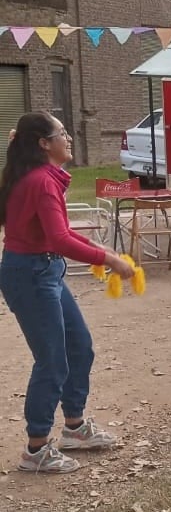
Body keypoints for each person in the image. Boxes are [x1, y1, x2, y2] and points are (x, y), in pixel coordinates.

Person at [0, 112, 135, 474]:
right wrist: (110, 260)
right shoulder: (41, 181)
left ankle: (74, 428)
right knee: (52, 360)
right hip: (30, 275)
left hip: (44, 269)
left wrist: (96, 247)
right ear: (45, 144)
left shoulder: (44, 177)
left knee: (79, 346)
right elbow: (58, 238)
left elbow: (57, 233)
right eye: (62, 133)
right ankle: (36, 449)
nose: (69, 137)